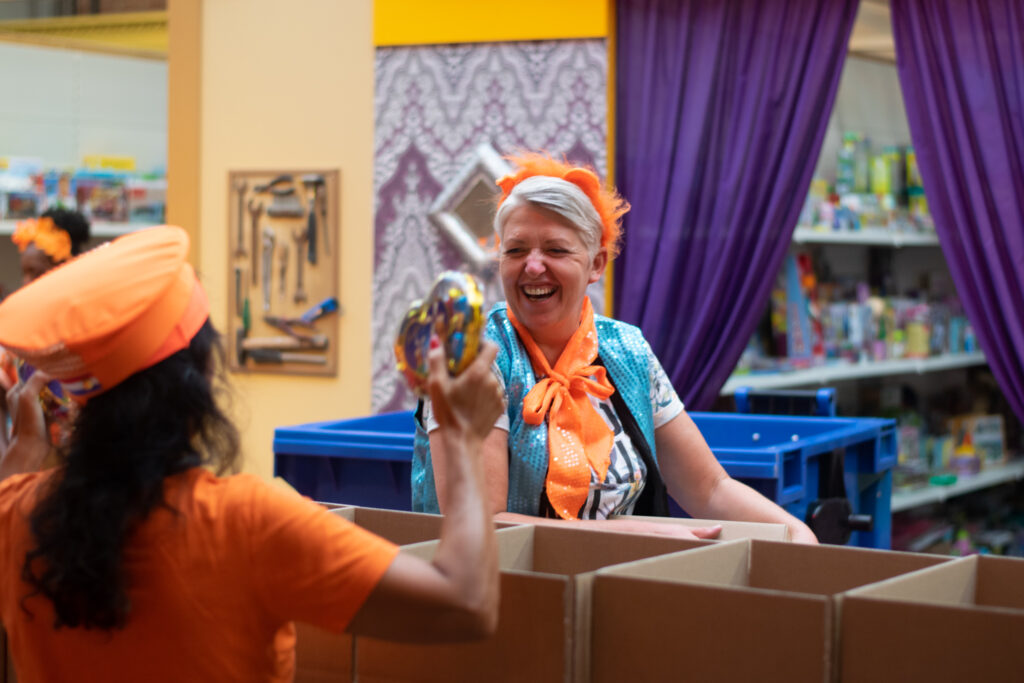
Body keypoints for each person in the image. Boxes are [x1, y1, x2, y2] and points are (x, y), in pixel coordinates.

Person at [0, 226, 505, 681]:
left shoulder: (19, 517)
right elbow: (465, 603)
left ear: (78, 397)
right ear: (198, 380)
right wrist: (461, 437)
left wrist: (23, 447)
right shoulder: (247, 521)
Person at [412, 153, 818, 544]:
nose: (533, 266)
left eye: (556, 250)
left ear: (597, 264)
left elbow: (710, 488)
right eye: (516, 250)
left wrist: (794, 531)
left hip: (619, 575)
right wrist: (634, 534)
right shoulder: (469, 358)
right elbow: (482, 525)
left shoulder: (627, 350)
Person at [0, 208, 92, 451]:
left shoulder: (90, 332)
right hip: (30, 463)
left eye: (36, 272)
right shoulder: (18, 343)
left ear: (64, 269)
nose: (26, 283)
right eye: (24, 273)